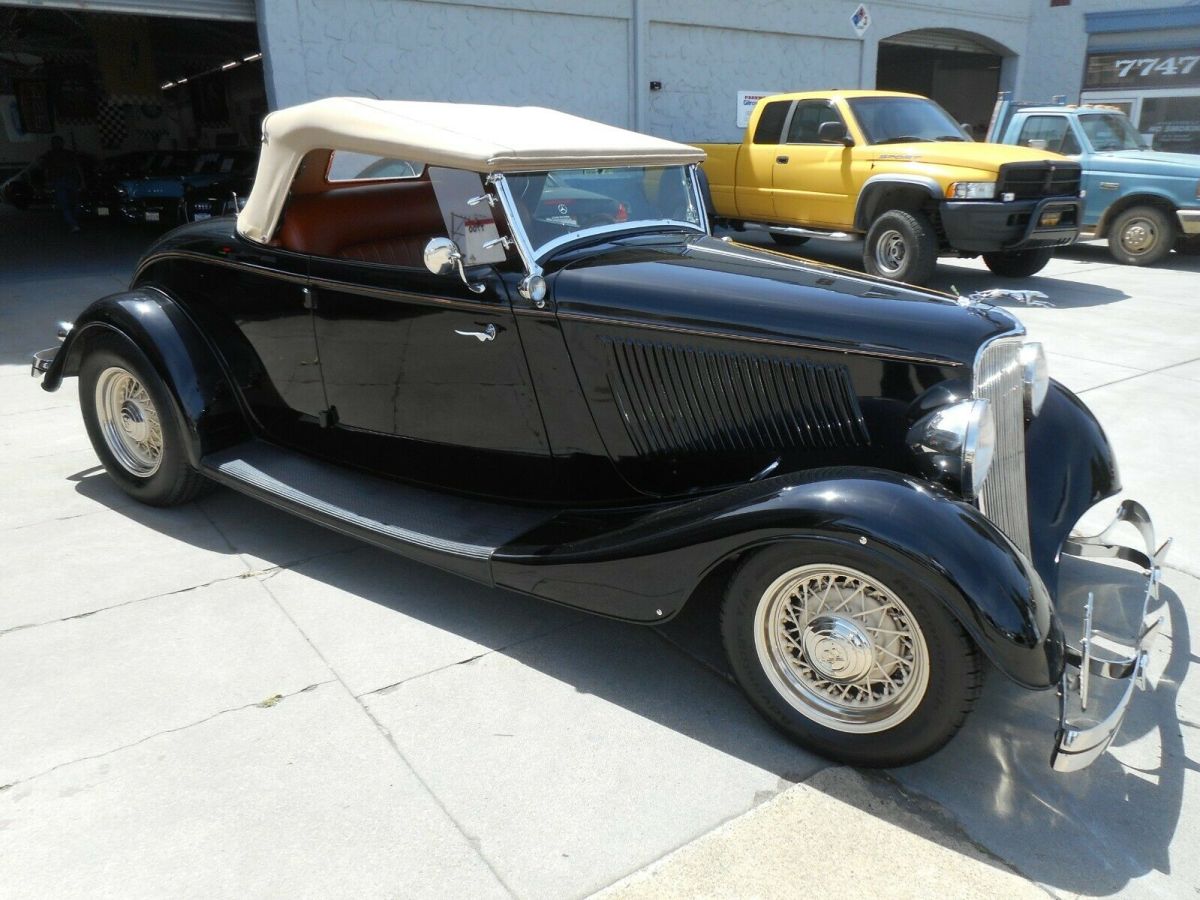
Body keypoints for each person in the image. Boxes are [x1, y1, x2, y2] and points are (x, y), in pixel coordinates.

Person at [38, 136, 83, 232]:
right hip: (61, 181)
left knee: (73, 203)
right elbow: (46, 170)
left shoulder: (67, 154)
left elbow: (77, 167)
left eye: (58, 142)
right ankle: (73, 223)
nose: (57, 144)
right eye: (56, 142)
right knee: (66, 204)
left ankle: (73, 222)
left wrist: (82, 181)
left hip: (69, 180)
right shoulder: (50, 155)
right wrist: (47, 182)